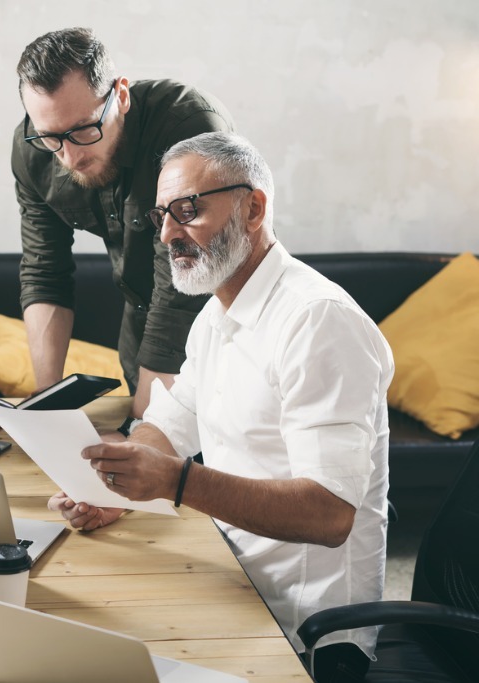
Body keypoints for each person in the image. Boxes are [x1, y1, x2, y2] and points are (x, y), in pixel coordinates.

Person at [49, 132, 392, 683]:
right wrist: (111, 485)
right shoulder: (217, 313)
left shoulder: (317, 321)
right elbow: (173, 421)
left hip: (304, 631)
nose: (167, 234)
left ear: (252, 208)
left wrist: (176, 483)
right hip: (232, 575)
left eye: (188, 211)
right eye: (163, 214)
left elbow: (330, 515)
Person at [12, 27, 235, 421]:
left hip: (223, 338)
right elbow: (44, 271)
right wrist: (46, 408)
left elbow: (179, 286)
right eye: (51, 138)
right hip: (140, 337)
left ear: (122, 95)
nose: (69, 156)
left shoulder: (188, 125)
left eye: (83, 130)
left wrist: (141, 431)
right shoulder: (32, 151)